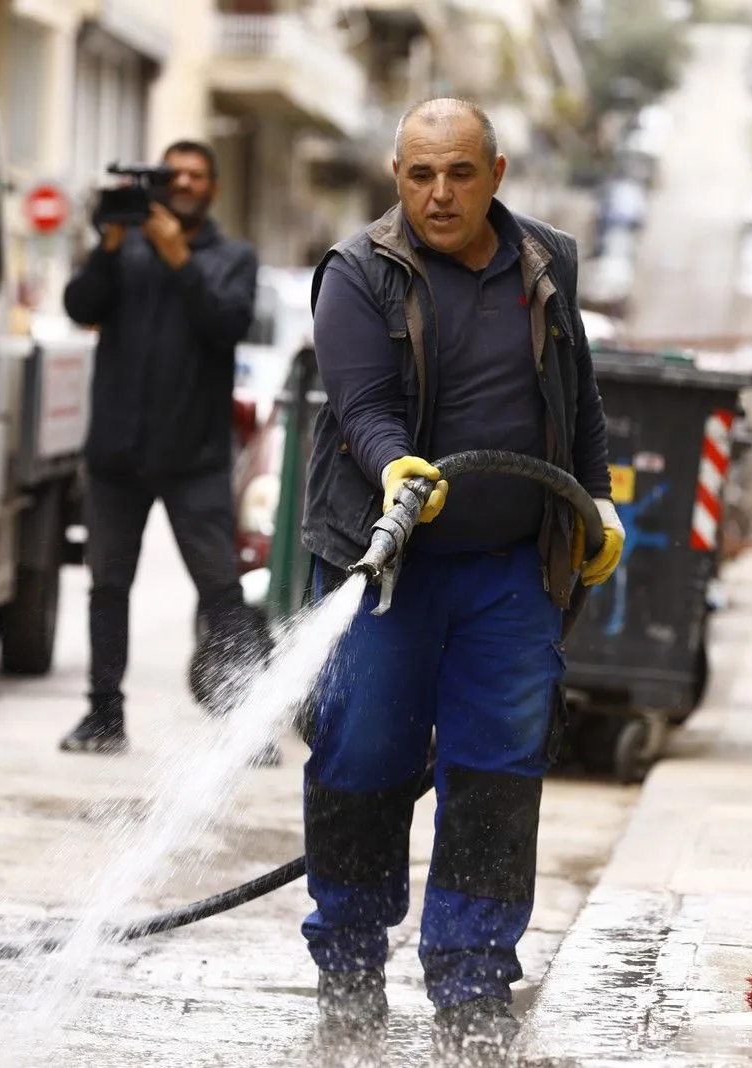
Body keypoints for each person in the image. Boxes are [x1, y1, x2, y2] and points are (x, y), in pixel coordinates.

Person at [297, 98, 625, 1059]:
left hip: (509, 575)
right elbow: (361, 404)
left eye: (460, 173)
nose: (440, 194)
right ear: (396, 176)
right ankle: (349, 968)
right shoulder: (358, 272)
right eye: (420, 175)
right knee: (362, 761)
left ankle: (474, 978)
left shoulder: (546, 262)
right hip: (385, 570)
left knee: (497, 769)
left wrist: (597, 503)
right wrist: (396, 468)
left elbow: (578, 395)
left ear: (497, 174)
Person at [58, 140, 271, 759]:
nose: (183, 183)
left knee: (221, 588)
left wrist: (179, 257)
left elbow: (227, 324)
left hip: (194, 455)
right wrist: (108, 246)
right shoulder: (123, 248)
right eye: (172, 174)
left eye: (196, 175)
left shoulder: (233, 257)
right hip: (116, 454)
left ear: (213, 189)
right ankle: (103, 714)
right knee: (107, 586)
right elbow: (80, 306)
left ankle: (248, 725)